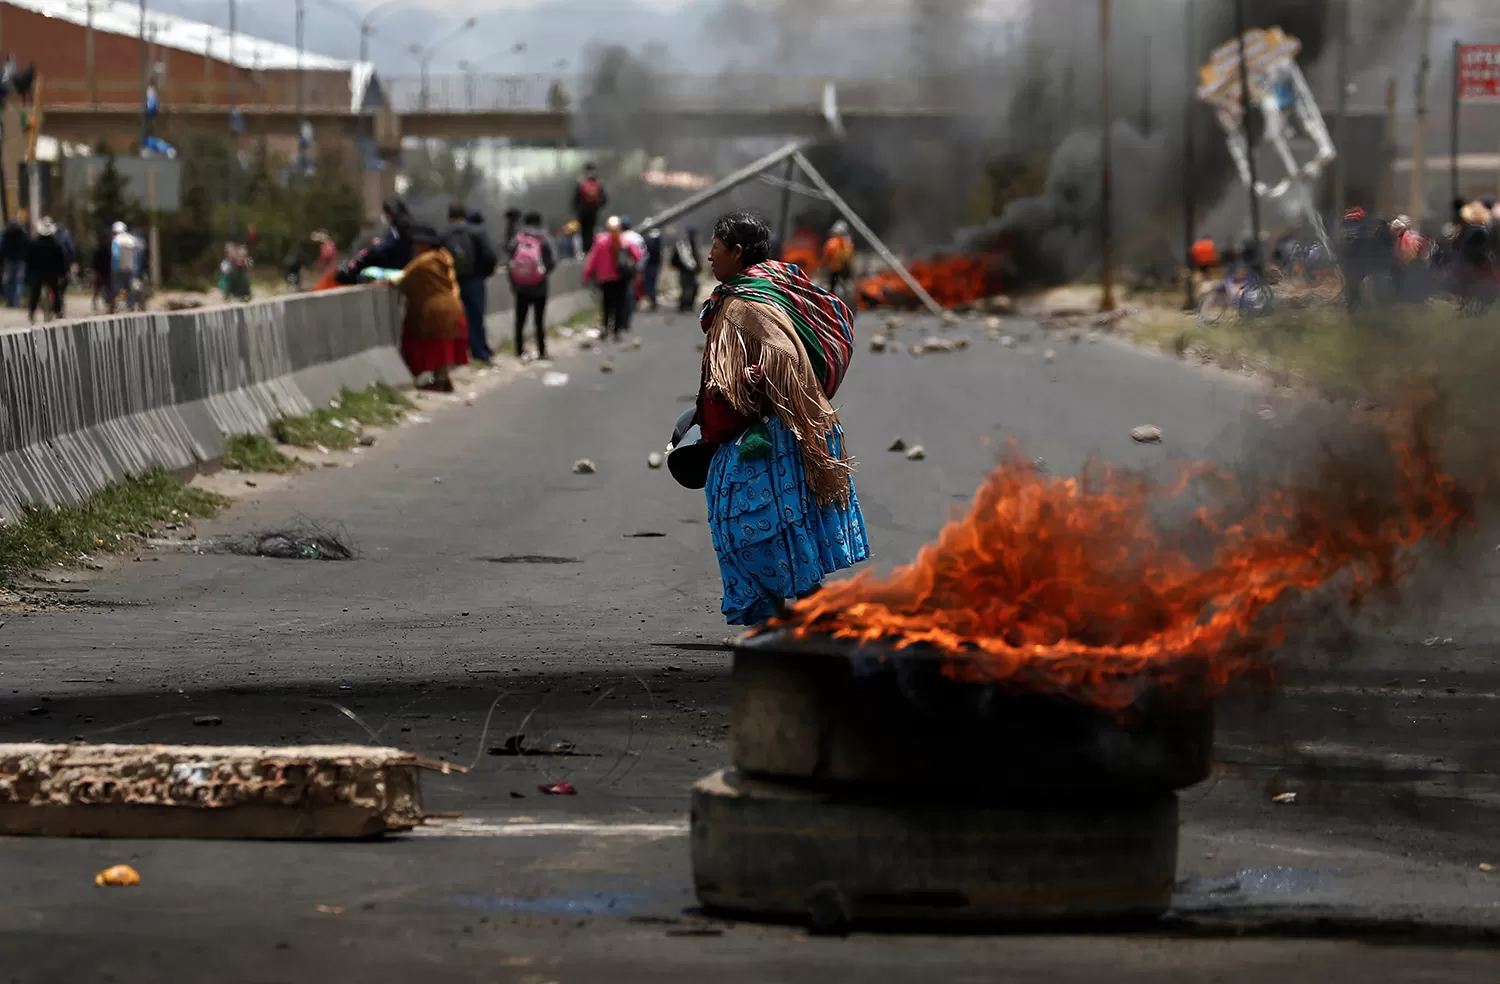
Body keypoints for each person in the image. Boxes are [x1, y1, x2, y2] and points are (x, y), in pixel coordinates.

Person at [695, 209, 870, 625]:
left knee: (750, 533)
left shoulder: (746, 304)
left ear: (737, 253)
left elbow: (784, 357)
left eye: (716, 250)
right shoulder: (780, 283)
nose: (709, 258)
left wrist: (750, 382)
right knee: (788, 529)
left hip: (771, 437)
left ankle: (776, 629)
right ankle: (804, 624)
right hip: (795, 430)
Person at [391, 224, 470, 393]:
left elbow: (403, 280)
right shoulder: (444, 257)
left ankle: (441, 381)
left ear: (425, 244)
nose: (415, 247)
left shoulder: (423, 262)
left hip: (435, 308)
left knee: (437, 346)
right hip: (453, 304)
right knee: (445, 344)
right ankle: (444, 379)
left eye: (418, 243)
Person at [444, 202, 497, 364]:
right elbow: (490, 256)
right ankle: (480, 351)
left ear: (449, 216)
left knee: (457, 318)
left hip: (454, 282)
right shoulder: (476, 232)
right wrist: (483, 273)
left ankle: (459, 354)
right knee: (476, 316)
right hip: (475, 280)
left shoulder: (445, 234)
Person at [582, 216, 642, 340]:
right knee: (619, 303)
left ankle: (605, 327)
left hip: (605, 279)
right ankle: (617, 330)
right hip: (621, 277)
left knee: (606, 303)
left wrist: (587, 275)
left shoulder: (600, 242)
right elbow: (637, 255)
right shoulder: (625, 241)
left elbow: (592, 260)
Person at [507, 210, 556, 361]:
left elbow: (510, 260)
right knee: (539, 320)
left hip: (521, 287)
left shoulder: (517, 238)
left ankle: (518, 349)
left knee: (520, 320)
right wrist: (542, 273)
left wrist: (514, 280)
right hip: (540, 286)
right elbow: (553, 260)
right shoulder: (545, 237)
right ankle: (541, 350)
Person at [335, 197, 414, 285]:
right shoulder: (408, 227)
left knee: (363, 260)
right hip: (403, 265)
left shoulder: (397, 229)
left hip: (396, 268)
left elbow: (387, 249)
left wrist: (377, 246)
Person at [24, 216, 67, 323]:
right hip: (52, 274)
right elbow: (61, 262)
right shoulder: (56, 245)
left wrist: (29, 274)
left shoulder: (33, 244)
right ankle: (58, 311)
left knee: (35, 292)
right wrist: (62, 274)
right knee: (56, 291)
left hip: (37, 274)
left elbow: (29, 260)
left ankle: (32, 312)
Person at [109, 221, 142, 312]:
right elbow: (137, 255)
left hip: (118, 268)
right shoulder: (132, 240)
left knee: (118, 287)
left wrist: (113, 268)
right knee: (129, 288)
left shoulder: (115, 241)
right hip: (131, 268)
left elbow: (115, 255)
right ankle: (131, 305)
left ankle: (118, 306)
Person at [573, 162, 607, 246]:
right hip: (593, 210)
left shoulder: (581, 183)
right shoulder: (597, 183)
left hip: (583, 211)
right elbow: (604, 198)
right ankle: (591, 247)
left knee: (585, 231)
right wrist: (598, 205)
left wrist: (577, 209)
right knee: (592, 229)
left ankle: (587, 248)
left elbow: (576, 199)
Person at [671, 226, 702, 312]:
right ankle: (684, 306)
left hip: (691, 271)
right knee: (687, 288)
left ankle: (688, 305)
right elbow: (684, 258)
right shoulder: (684, 245)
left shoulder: (693, 243)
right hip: (685, 270)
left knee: (694, 287)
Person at [821, 220, 855, 298]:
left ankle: (833, 300)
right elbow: (850, 258)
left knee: (832, 287)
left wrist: (823, 266)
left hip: (834, 268)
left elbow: (827, 256)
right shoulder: (848, 242)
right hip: (845, 269)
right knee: (846, 287)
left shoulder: (832, 242)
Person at [1, 213, 29, 307]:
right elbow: (27, 247)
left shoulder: (6, 233)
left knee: (8, 281)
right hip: (20, 260)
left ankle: (10, 301)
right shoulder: (23, 233)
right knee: (18, 281)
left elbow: (2, 248)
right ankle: (16, 301)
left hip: (9, 260)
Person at [642, 227, 664, 311]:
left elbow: (645, 255)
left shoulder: (650, 244)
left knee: (649, 284)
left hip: (650, 266)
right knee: (652, 284)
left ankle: (653, 299)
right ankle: (653, 300)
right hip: (653, 266)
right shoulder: (657, 243)